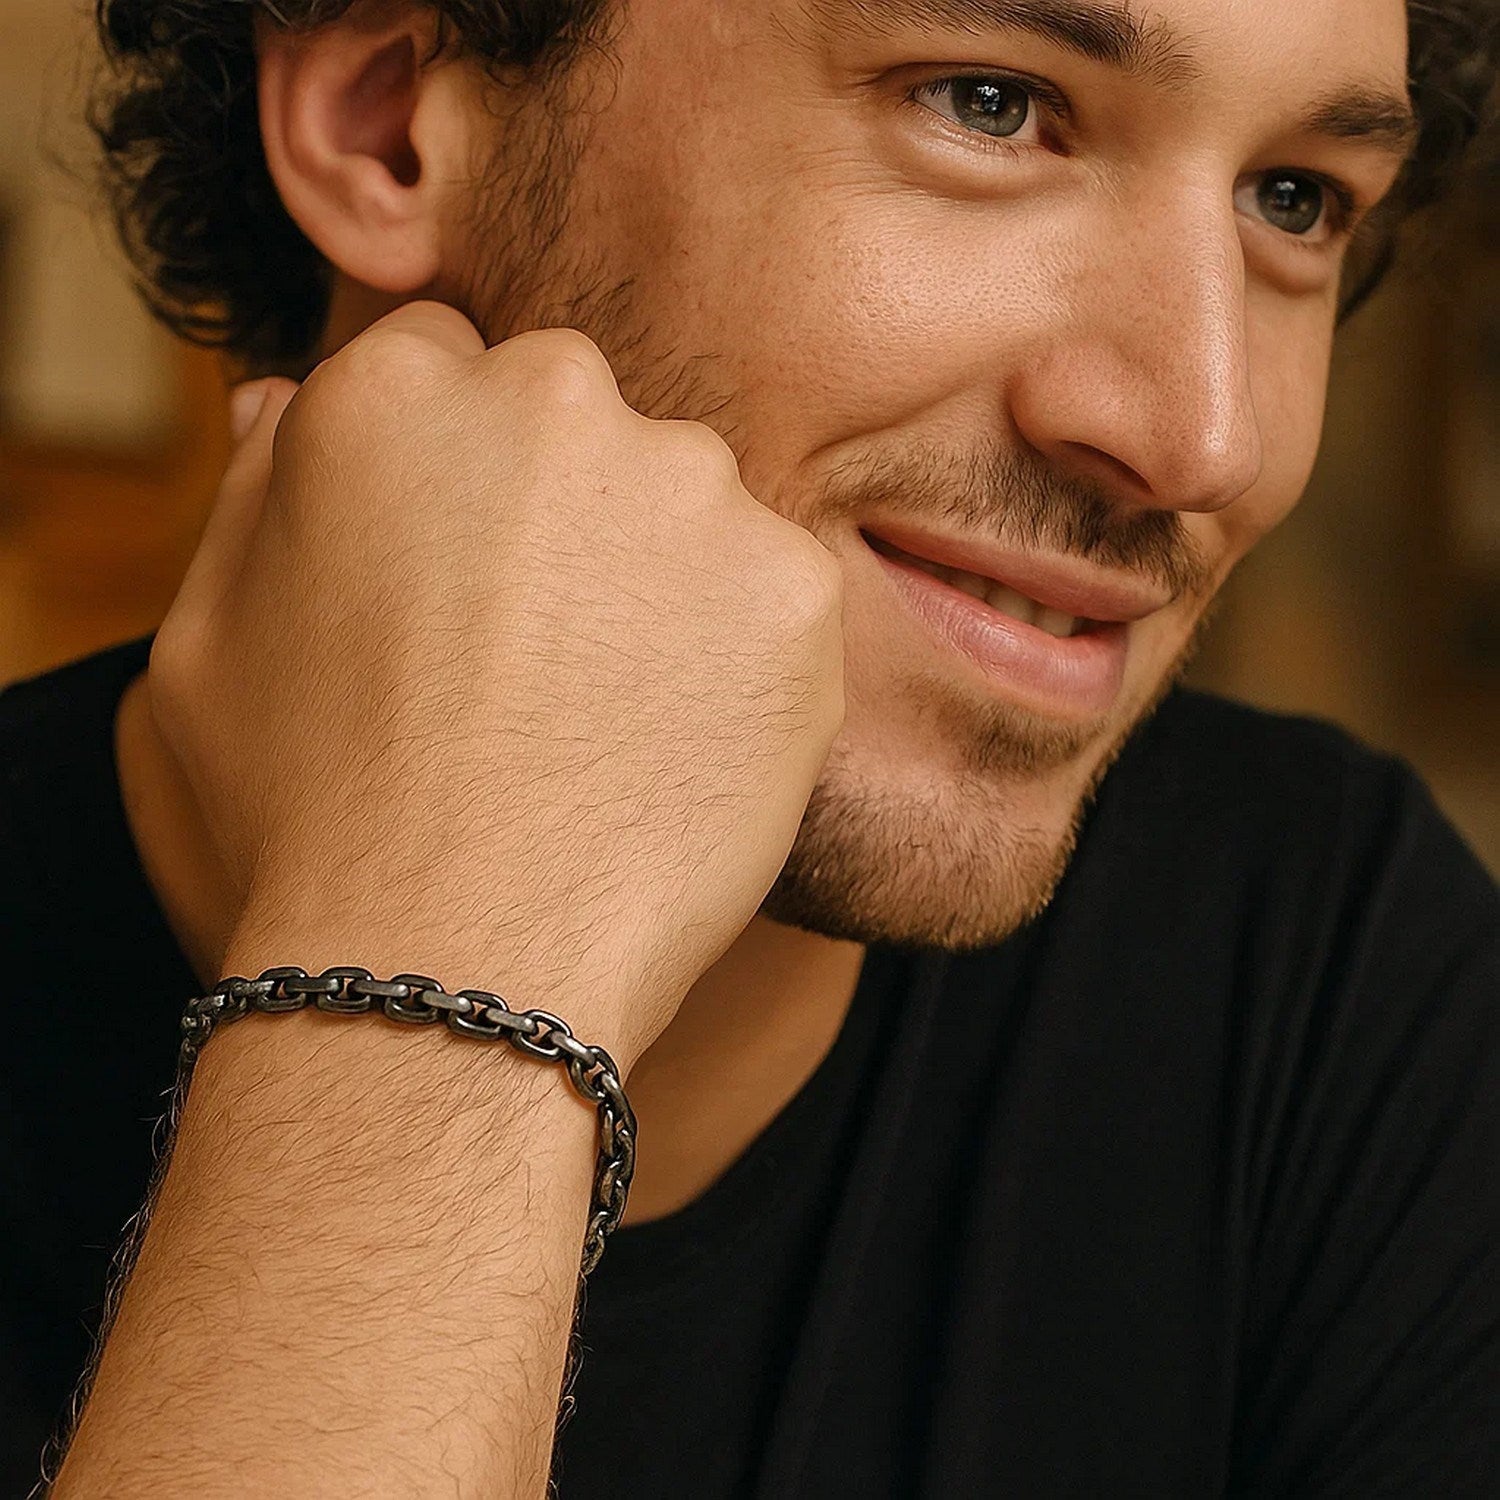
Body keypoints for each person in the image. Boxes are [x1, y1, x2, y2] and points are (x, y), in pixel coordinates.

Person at [2, 0, 1496, 1493]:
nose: (1204, 440)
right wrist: (449, 946)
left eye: (1293, 200)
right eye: (985, 104)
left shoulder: (1338, 982)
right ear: (384, 122)